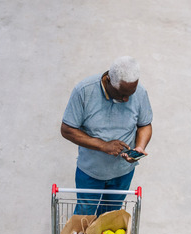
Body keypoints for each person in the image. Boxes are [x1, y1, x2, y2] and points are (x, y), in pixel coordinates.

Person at [61, 56, 153, 216]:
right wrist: (103, 145)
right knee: (85, 215)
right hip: (91, 172)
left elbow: (145, 125)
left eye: (130, 94)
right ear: (108, 80)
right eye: (122, 94)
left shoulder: (139, 92)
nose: (126, 99)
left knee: (109, 217)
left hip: (123, 173)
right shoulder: (84, 91)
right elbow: (67, 129)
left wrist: (139, 147)